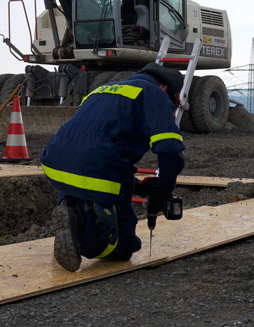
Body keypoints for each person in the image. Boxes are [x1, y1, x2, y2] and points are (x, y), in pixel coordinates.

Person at [40, 63, 185, 271]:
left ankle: (71, 210)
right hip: (95, 170)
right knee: (126, 245)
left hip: (56, 162)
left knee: (80, 185)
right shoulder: (154, 94)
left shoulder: (104, 89)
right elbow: (170, 149)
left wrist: (138, 186)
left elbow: (95, 142)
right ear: (165, 88)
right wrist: (164, 188)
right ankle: (89, 230)